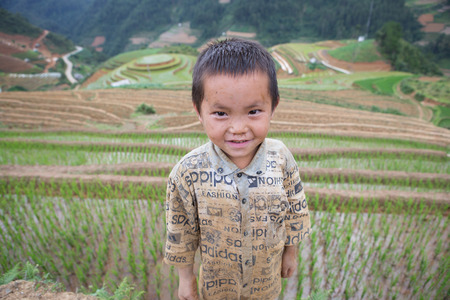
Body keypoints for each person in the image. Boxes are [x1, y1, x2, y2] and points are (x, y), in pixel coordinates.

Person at [164, 38, 310, 300]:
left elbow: (296, 208)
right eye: (221, 114)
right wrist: (185, 279)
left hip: (265, 283)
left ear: (273, 106)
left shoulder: (281, 159)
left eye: (253, 111)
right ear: (199, 111)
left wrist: (291, 252)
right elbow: (181, 230)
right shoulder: (187, 172)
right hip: (217, 287)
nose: (238, 128)